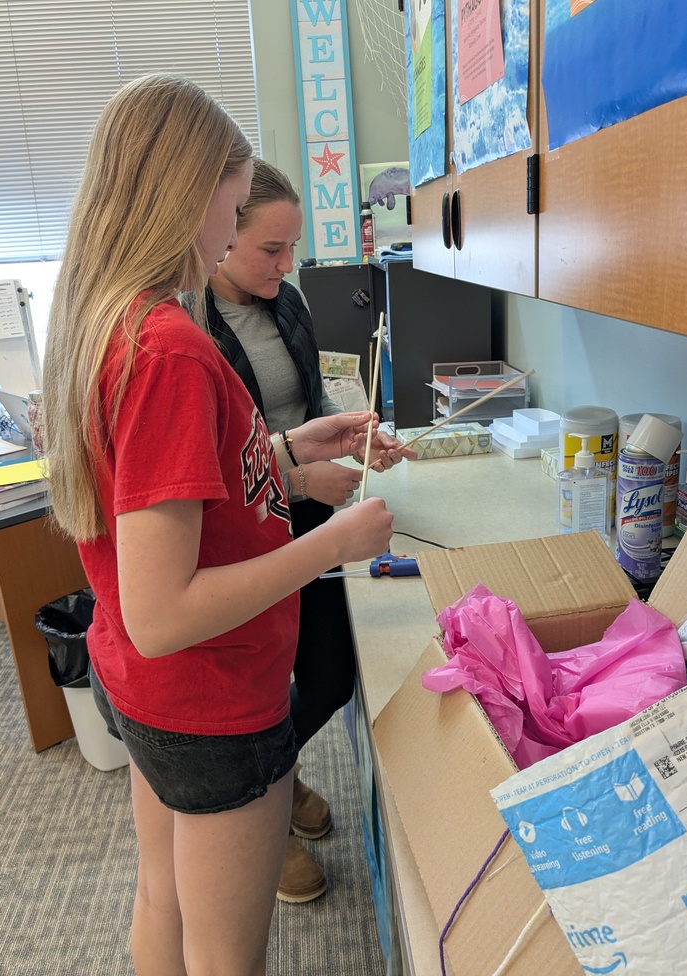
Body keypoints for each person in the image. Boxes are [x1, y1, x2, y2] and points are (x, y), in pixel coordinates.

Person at [42, 73, 394, 976]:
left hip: (144, 685)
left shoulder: (107, 323)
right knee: (227, 956)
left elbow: (173, 501)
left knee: (163, 898)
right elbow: (169, 606)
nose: (231, 237)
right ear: (190, 193)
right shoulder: (168, 348)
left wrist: (281, 451)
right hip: (210, 700)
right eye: (234, 212)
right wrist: (333, 541)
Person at [203, 157, 414, 903]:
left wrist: (355, 440)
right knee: (259, 690)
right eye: (271, 249)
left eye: (292, 247)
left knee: (327, 672)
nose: (288, 264)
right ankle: (269, 807)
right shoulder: (188, 331)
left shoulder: (285, 300)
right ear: (220, 231)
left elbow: (306, 402)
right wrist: (295, 477)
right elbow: (214, 476)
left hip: (308, 497)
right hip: (245, 527)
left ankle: (278, 779)